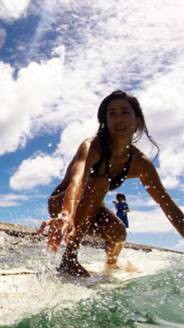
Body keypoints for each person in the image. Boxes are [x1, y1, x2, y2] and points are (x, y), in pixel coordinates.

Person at [41, 90, 184, 277]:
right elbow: (77, 182)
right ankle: (69, 259)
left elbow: (167, 204)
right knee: (100, 183)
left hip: (91, 211)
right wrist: (66, 215)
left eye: (125, 112)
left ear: (137, 120)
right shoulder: (92, 147)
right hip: (63, 205)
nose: (118, 119)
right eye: (112, 113)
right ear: (105, 121)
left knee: (119, 233)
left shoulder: (139, 163)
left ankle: (110, 266)